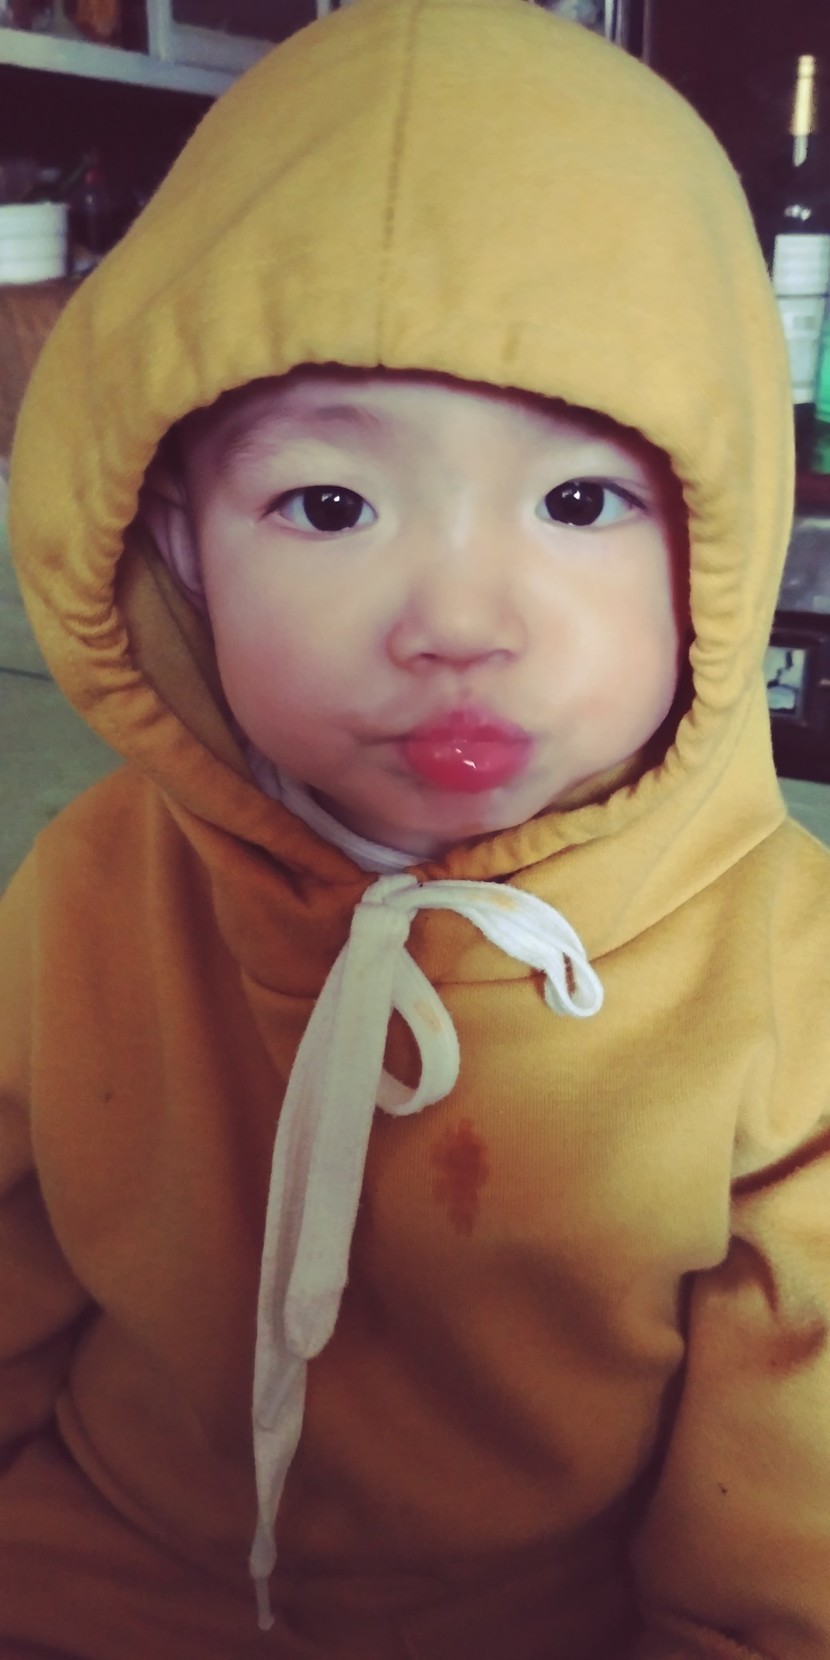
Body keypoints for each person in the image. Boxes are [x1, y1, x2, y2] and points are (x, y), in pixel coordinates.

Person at [0, 0, 826, 1655]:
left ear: (719, 539)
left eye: (578, 501)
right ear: (175, 550)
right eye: (328, 504)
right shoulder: (92, 883)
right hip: (101, 1562)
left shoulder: (783, 968)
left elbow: (786, 1488)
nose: (456, 622)